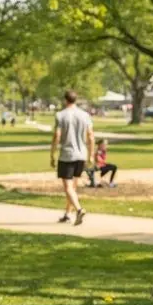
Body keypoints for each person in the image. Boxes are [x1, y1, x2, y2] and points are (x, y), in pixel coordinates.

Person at [51, 89, 95, 226]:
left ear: (65, 100)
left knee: (68, 187)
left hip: (67, 154)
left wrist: (52, 153)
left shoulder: (60, 115)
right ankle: (67, 214)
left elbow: (57, 136)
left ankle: (79, 209)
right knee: (73, 188)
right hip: (81, 154)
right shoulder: (85, 115)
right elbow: (91, 136)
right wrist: (91, 155)